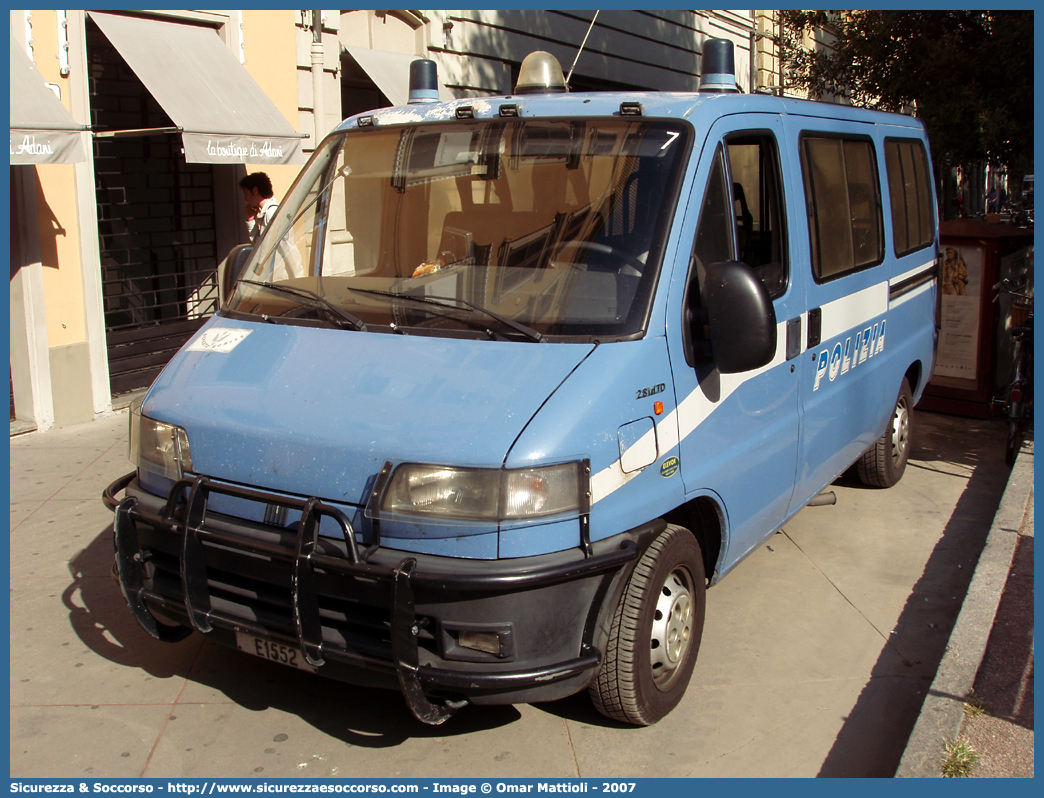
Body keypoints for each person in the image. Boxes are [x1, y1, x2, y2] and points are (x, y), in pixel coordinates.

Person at [239, 172, 278, 244]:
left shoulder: (271, 213)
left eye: (245, 193)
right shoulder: (268, 212)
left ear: (255, 191)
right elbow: (260, 246)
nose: (245, 198)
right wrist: (251, 220)